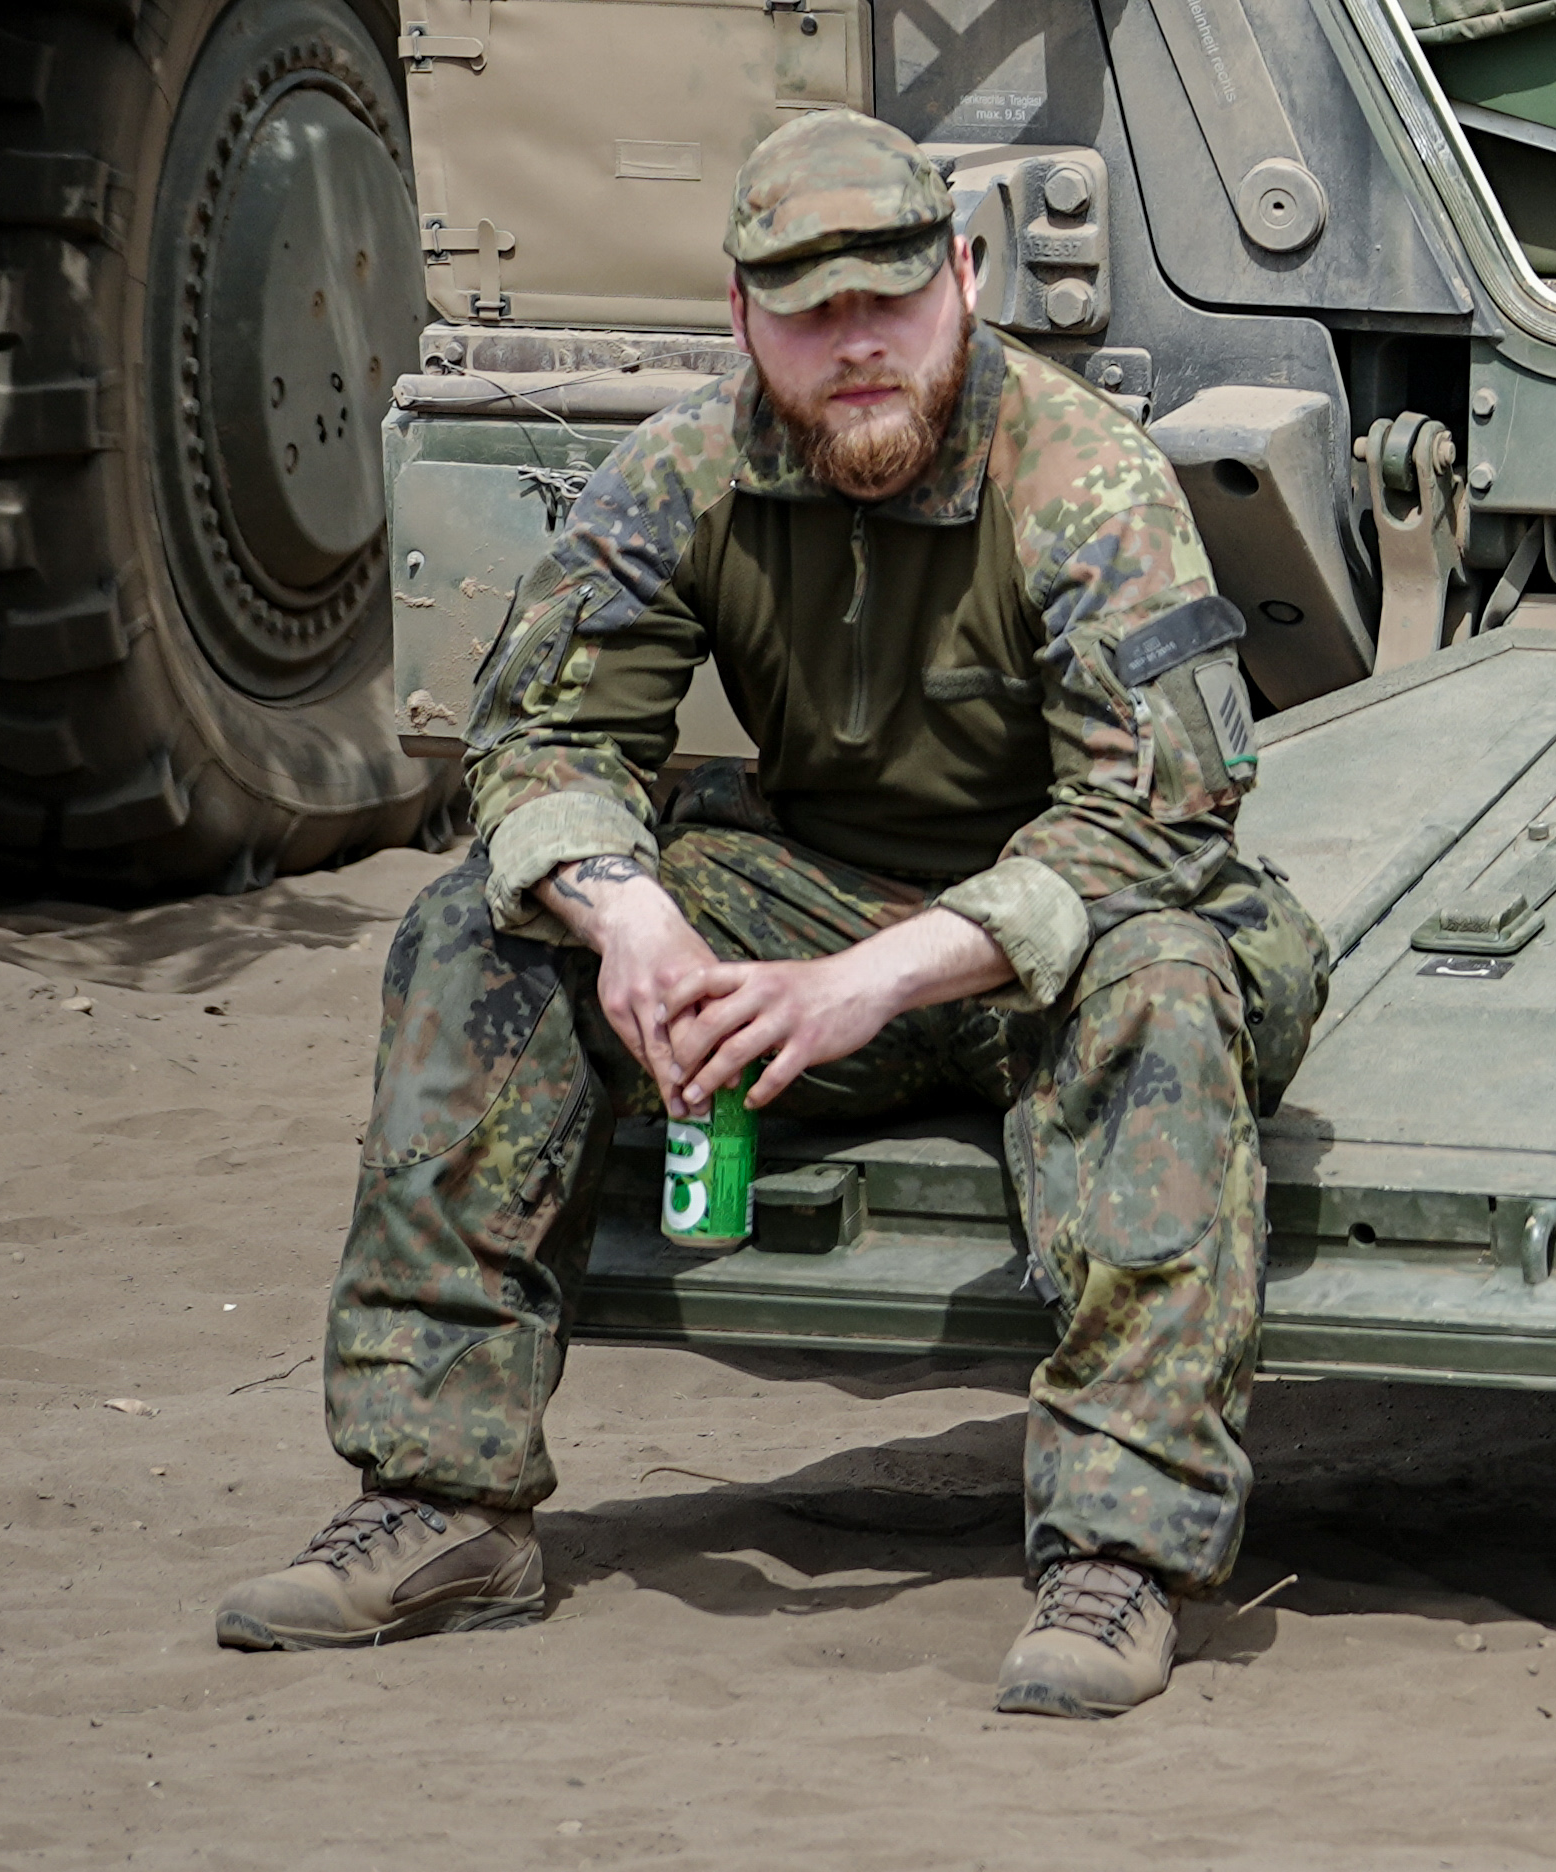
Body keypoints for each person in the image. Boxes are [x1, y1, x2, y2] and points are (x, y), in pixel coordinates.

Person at [213, 116, 1326, 1719]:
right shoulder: (684, 471)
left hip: (1070, 931)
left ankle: (1117, 1561)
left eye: (892, 300)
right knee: (481, 925)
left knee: (1159, 976)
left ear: (964, 278)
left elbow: (1150, 818)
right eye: (810, 315)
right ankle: (446, 1507)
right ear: (743, 321)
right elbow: (543, 735)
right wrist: (631, 918)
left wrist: (868, 982)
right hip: (817, 901)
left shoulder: (1082, 476)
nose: (857, 346)